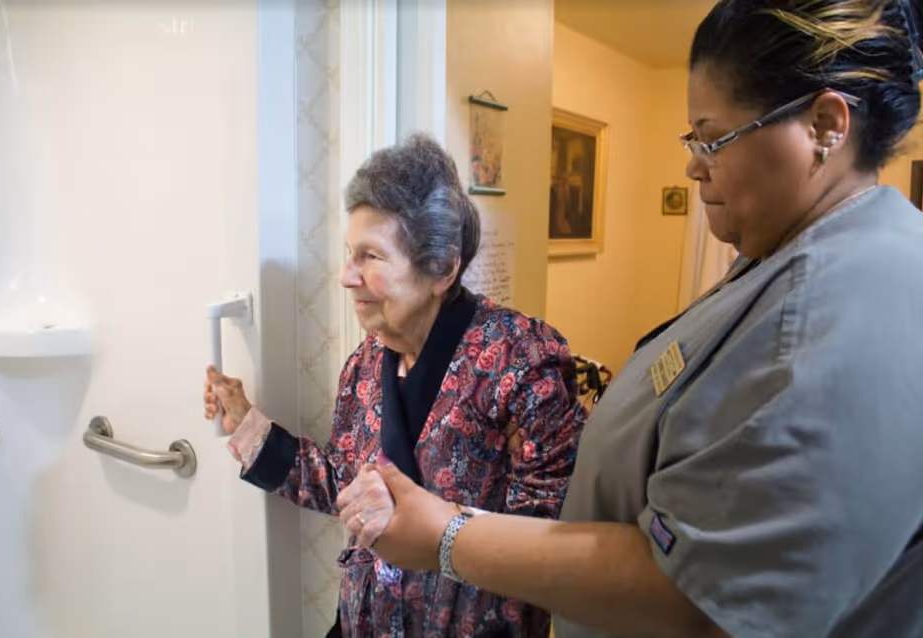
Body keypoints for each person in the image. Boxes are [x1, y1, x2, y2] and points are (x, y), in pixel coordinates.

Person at [337, 2, 923, 637]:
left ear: (825, 125)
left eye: (712, 137)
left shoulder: (832, 314)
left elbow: (699, 597)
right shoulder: (779, 254)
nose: (694, 165)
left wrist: (447, 538)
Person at [203, 133, 587, 637]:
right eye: (349, 253)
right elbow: (344, 485)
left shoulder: (522, 361)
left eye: (371, 257)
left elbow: (551, 540)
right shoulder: (364, 365)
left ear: (442, 268)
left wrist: (438, 526)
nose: (346, 276)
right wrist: (248, 425)